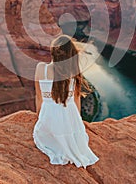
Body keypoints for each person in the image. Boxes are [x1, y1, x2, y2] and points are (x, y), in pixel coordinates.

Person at [33, 34, 99, 168]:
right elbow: (76, 101)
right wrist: (76, 123)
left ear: (53, 52)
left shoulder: (41, 68)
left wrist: (40, 118)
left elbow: (39, 97)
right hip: (68, 115)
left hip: (49, 116)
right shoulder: (73, 72)